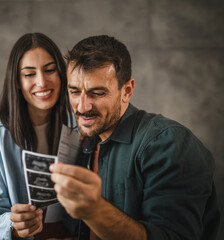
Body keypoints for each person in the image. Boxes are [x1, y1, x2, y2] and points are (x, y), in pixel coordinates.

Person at [50, 35, 220, 240]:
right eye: (74, 92)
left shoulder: (168, 143)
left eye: (97, 93)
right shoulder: (83, 141)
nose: (82, 107)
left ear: (127, 91)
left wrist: (95, 211)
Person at [0, 32, 76, 239]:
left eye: (50, 70)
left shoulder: (78, 127)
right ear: (16, 81)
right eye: (29, 74)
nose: (42, 82)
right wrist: (12, 226)